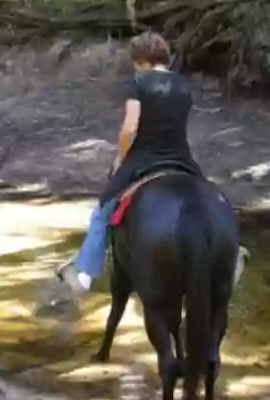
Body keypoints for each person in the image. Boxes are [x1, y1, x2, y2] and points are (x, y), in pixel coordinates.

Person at [56, 31, 203, 295]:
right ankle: (232, 253)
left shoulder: (140, 83)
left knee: (101, 212)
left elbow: (130, 128)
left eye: (135, 62)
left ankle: (85, 275)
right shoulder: (183, 85)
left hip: (144, 158)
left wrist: (120, 158)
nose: (135, 68)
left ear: (142, 60)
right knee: (208, 200)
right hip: (181, 157)